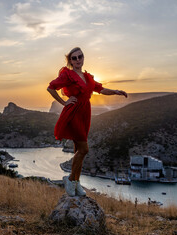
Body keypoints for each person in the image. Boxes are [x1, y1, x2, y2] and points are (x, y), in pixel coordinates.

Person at [47, 47, 127, 197]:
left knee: (79, 151)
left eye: (80, 57)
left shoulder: (87, 77)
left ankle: (76, 183)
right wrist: (64, 102)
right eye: (74, 58)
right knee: (84, 149)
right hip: (74, 113)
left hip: (85, 113)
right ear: (70, 61)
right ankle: (70, 179)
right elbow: (50, 88)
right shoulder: (68, 75)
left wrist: (116, 91)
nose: (78, 60)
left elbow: (100, 89)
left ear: (83, 58)